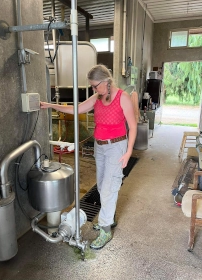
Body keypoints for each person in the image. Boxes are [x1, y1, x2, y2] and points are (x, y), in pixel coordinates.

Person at [39, 64, 137, 249]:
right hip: (100, 147)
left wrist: (129, 151)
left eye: (95, 85)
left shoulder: (122, 98)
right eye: (92, 86)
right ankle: (111, 214)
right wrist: (51, 105)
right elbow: (77, 108)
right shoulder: (97, 97)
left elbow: (132, 126)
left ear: (107, 82)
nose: (93, 89)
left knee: (109, 186)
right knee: (101, 185)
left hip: (117, 147)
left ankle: (106, 229)